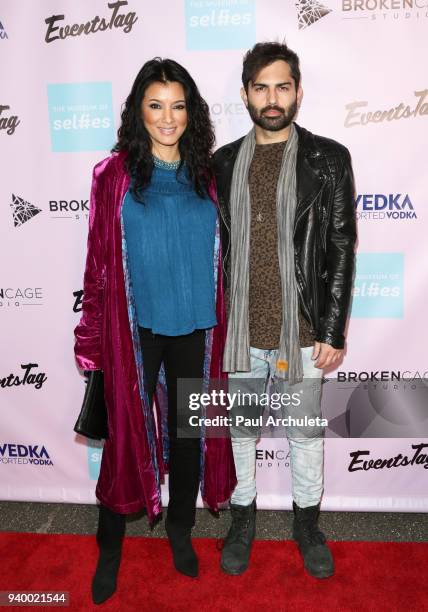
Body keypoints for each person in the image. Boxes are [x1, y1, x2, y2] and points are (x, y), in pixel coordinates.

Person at [74, 57, 236, 605]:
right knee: (123, 436)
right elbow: (98, 265)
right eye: (155, 105)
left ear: (191, 111)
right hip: (134, 331)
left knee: (189, 436)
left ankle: (180, 530)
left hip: (197, 329)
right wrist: (91, 340)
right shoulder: (112, 175)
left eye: (178, 105)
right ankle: (111, 544)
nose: (168, 118)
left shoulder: (208, 175)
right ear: (138, 110)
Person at [213, 42, 356, 579]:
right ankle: (243, 519)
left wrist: (332, 326)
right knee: (243, 430)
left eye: (282, 86)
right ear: (246, 93)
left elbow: (341, 244)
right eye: (261, 87)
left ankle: (307, 524)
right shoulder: (223, 162)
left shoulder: (329, 159)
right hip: (242, 327)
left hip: (302, 329)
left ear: (297, 91)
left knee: (304, 433)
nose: (272, 99)